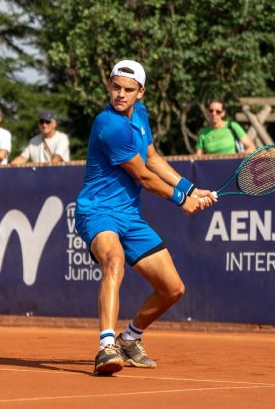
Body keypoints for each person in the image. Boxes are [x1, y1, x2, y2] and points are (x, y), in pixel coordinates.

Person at [75, 59, 217, 376]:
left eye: (128, 90)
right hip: (98, 211)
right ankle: (106, 346)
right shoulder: (109, 124)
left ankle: (130, 337)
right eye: (115, 87)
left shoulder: (140, 116)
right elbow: (143, 176)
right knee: (114, 259)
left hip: (129, 215)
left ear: (141, 91)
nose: (120, 95)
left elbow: (151, 157)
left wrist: (190, 188)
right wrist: (182, 200)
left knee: (172, 289)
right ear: (109, 85)